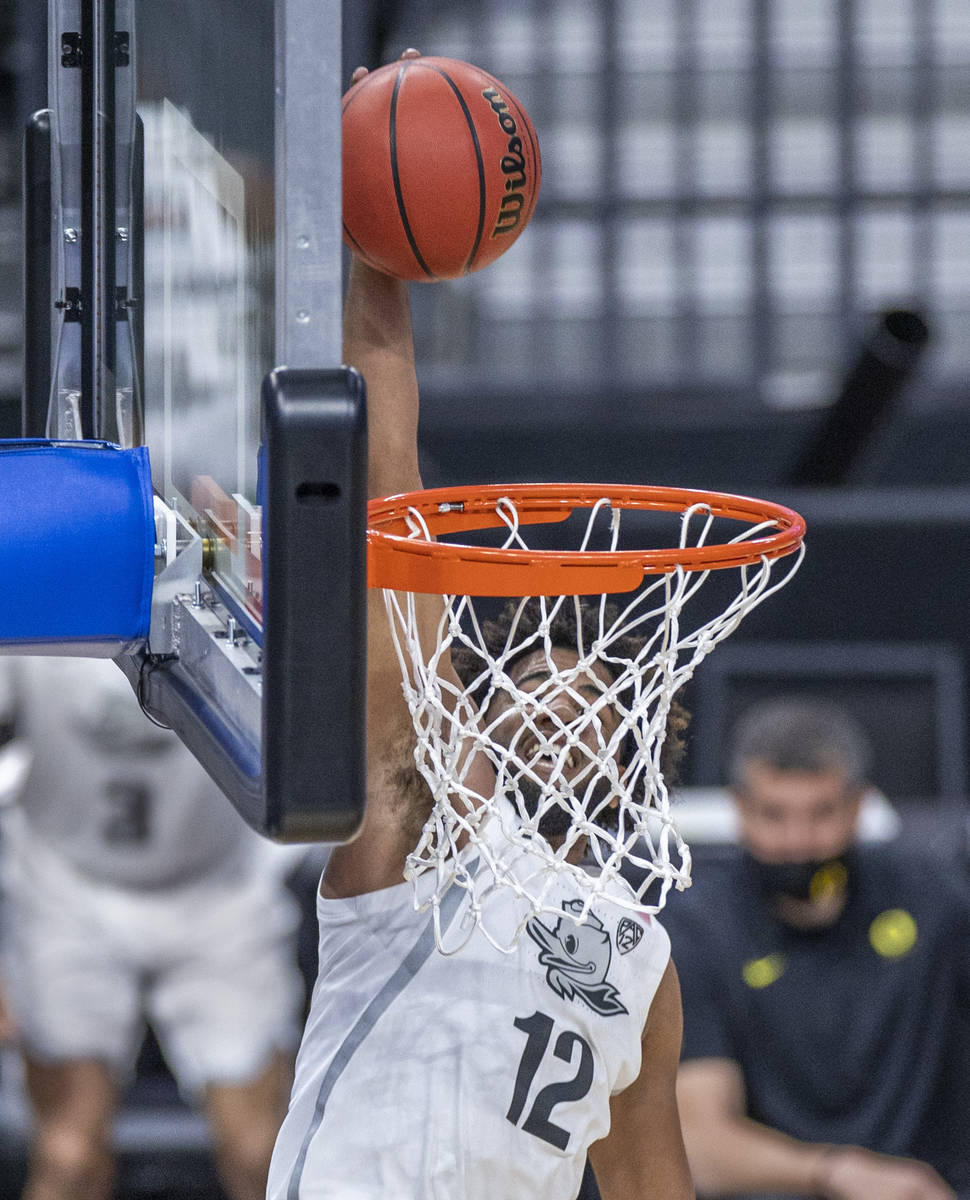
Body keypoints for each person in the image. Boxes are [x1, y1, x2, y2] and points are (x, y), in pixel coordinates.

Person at [267, 53, 694, 1200]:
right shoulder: (426, 829)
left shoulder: (641, 957)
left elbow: (655, 1182)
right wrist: (368, 246)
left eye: (584, 693)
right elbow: (390, 490)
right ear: (477, 720)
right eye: (530, 687)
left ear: (644, 737)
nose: (557, 707)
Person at [0, 654, 306, 1200]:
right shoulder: (28, 575)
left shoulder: (247, 575)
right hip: (64, 885)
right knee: (67, 1155)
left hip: (217, 886)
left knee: (262, 1153)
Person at [661, 695, 970, 1200]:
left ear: (857, 807)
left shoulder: (934, 900)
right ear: (739, 808)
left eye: (821, 814)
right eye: (774, 815)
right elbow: (702, 1146)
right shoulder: (696, 927)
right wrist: (835, 1172)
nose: (798, 841)